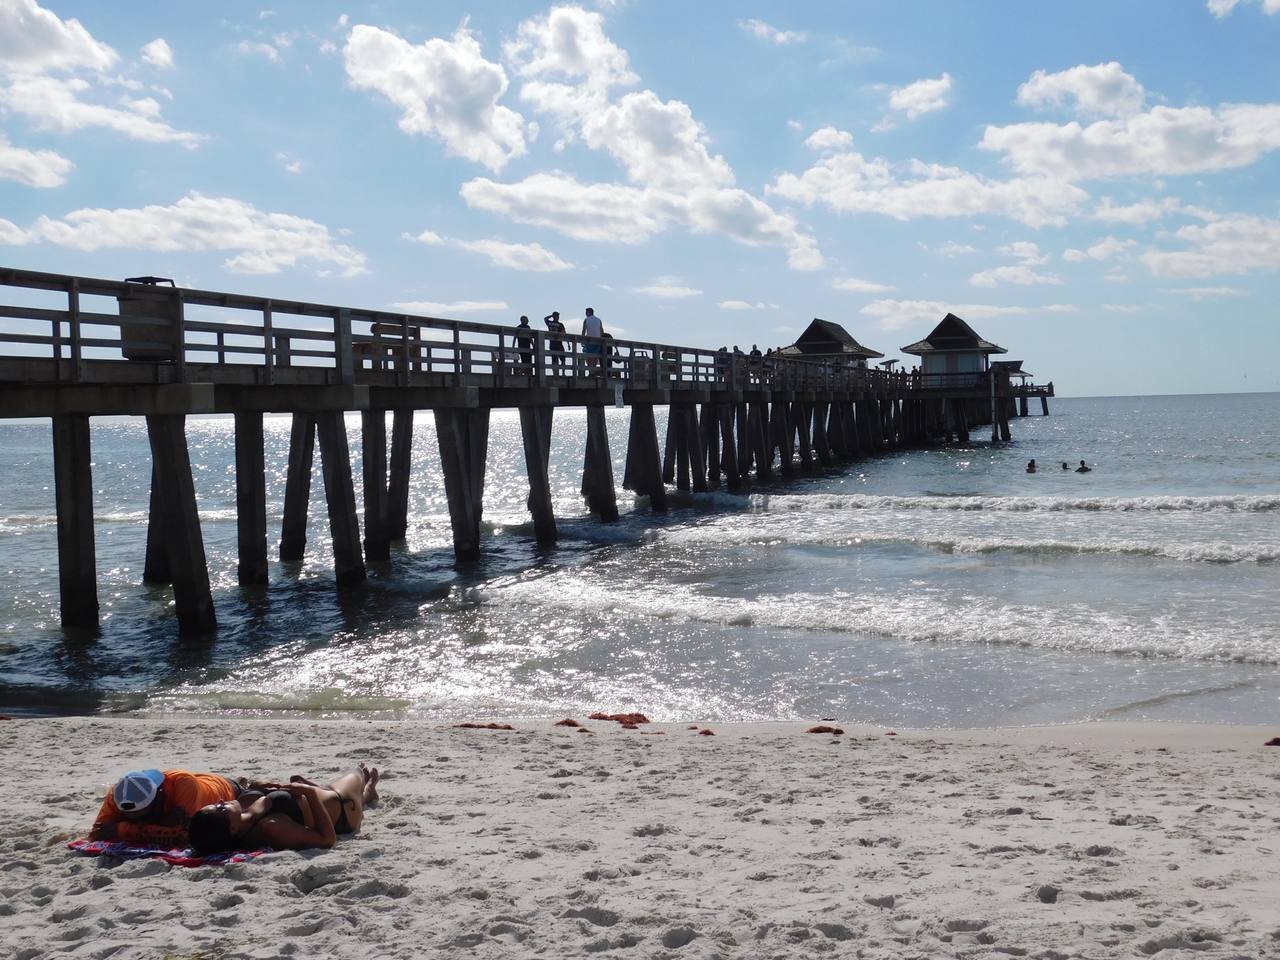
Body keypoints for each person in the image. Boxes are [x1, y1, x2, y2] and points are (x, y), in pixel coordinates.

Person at [188, 765, 379, 855]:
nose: (222, 801)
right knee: (357, 772)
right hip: (343, 808)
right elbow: (327, 840)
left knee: (353, 777)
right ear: (232, 829)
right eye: (221, 808)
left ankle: (363, 795)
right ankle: (367, 794)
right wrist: (310, 794)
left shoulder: (243, 814)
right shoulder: (270, 827)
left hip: (326, 796)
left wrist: (257, 786)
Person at [89, 769, 240, 846]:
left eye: (145, 816)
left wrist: (121, 828)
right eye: (132, 819)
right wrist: (137, 828)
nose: (141, 822)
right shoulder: (120, 793)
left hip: (224, 788)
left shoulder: (184, 785)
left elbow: (187, 835)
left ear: (159, 796)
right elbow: (97, 833)